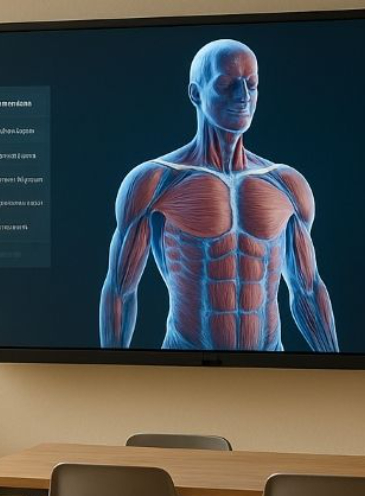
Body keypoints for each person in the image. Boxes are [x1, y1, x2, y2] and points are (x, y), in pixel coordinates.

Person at [98, 39, 339, 352]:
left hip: (271, 369)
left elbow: (307, 290)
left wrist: (337, 369)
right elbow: (120, 290)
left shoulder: (286, 183)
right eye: (226, 85)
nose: (242, 97)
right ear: (196, 93)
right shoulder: (156, 180)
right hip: (183, 366)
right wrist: (115, 376)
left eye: (251, 85)